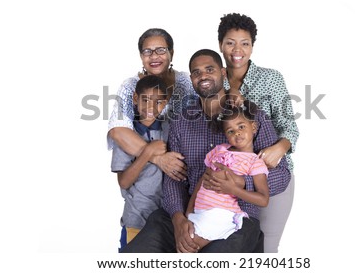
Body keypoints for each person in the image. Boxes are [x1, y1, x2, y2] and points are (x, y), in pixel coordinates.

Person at [121, 49, 291, 253]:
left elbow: (282, 175)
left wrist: (240, 183)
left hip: (235, 219)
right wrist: (177, 218)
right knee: (136, 255)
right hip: (189, 213)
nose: (203, 76)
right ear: (191, 79)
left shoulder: (251, 117)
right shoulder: (181, 122)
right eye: (196, 72)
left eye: (209, 69)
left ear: (223, 73)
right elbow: (174, 179)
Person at [217, 13, 300, 252]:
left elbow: (289, 126)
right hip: (230, 180)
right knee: (228, 249)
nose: (237, 50)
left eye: (245, 43)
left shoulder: (271, 79)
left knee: (265, 249)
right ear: (221, 44)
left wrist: (280, 147)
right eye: (230, 42)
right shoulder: (213, 80)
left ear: (252, 46)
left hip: (271, 175)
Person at [108, 28, 197, 184]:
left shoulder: (185, 82)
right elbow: (118, 131)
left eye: (161, 50)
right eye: (147, 51)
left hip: (183, 172)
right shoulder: (131, 86)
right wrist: (159, 159)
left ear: (172, 53)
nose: (154, 56)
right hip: (144, 178)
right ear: (141, 57)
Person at [185, 100, 269, 250]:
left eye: (241, 127)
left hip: (221, 215)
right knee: (184, 242)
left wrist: (234, 190)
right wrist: (189, 211)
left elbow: (263, 200)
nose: (237, 133)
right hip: (200, 211)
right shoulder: (220, 150)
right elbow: (203, 179)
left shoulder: (255, 163)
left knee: (190, 245)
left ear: (253, 127)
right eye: (230, 131)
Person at [111, 75, 169, 251]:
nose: (152, 107)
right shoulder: (126, 136)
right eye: (146, 100)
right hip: (136, 219)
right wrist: (148, 151)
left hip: (166, 219)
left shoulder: (170, 129)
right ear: (135, 99)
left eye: (158, 101)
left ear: (165, 103)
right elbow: (124, 181)